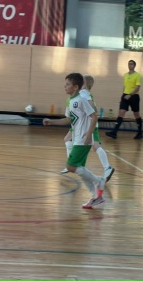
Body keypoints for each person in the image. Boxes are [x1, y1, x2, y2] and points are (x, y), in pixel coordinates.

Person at [43, 73, 107, 209]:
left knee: (71, 166)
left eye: (67, 84)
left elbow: (94, 116)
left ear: (76, 87)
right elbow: (68, 120)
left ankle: (98, 181)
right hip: (77, 138)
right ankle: (96, 197)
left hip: (83, 139)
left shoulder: (82, 100)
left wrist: (89, 134)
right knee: (80, 170)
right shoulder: (70, 101)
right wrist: (51, 122)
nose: (65, 86)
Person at [60, 74, 115, 183]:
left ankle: (107, 167)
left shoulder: (84, 93)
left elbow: (93, 109)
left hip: (88, 125)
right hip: (78, 124)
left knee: (96, 146)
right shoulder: (84, 94)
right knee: (67, 139)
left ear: (85, 85)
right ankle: (71, 163)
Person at [105, 60, 143, 140]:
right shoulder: (125, 75)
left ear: (134, 66)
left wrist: (130, 95)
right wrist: (123, 96)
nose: (130, 65)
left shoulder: (137, 75)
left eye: (131, 64)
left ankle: (140, 133)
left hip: (134, 96)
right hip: (125, 95)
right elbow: (125, 86)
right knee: (121, 112)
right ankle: (114, 132)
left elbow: (137, 87)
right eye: (129, 64)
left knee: (136, 114)